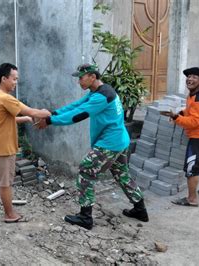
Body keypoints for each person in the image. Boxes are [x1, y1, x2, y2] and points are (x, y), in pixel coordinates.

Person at [37, 63, 148, 230]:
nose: (79, 82)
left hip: (109, 144)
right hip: (120, 141)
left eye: (81, 78)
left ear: (92, 77)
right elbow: (76, 106)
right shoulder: (100, 91)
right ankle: (140, 209)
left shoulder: (101, 97)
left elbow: (78, 115)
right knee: (122, 175)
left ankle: (85, 217)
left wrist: (50, 121)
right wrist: (53, 113)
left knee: (85, 172)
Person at [0, 63, 51, 223]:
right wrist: (49, 114)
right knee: (5, 183)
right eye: (14, 79)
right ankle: (9, 215)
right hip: (3, 147)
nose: (16, 82)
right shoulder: (6, 98)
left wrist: (26, 119)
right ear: (4, 79)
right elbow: (32, 111)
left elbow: (7, 119)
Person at [161, 67, 199, 207]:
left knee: (192, 168)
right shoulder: (196, 93)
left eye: (195, 77)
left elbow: (193, 122)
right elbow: (191, 110)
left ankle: (192, 199)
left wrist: (175, 117)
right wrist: (181, 113)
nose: (190, 79)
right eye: (189, 76)